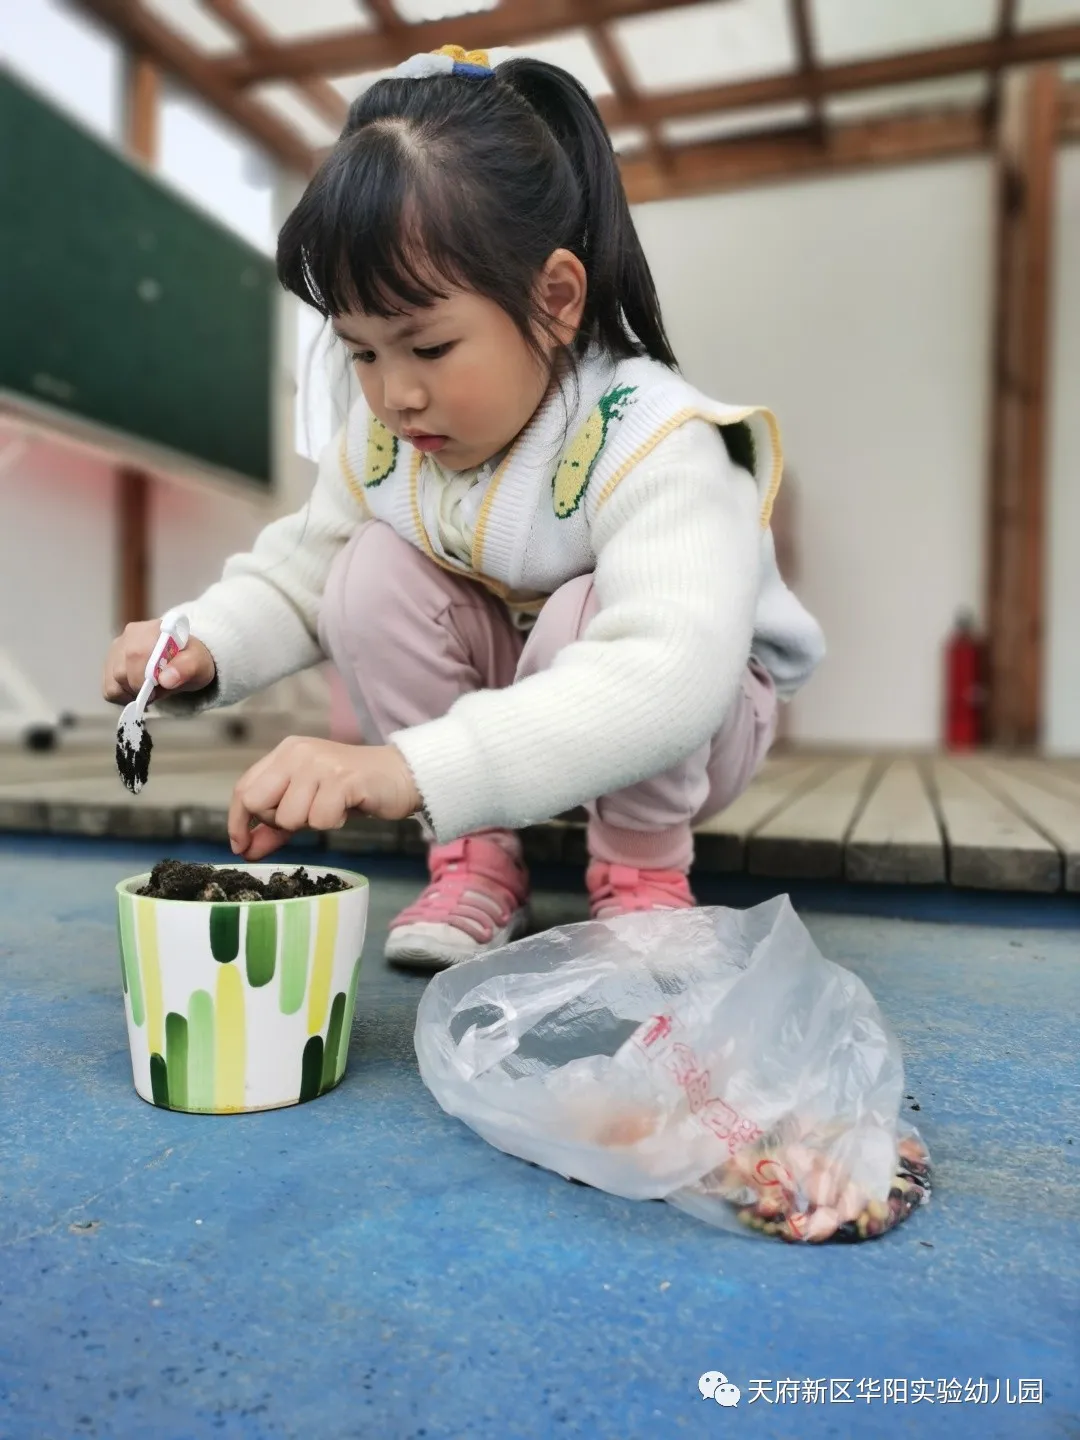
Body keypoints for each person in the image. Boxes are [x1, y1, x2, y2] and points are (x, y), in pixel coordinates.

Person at [103, 45, 824, 970]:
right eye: (361, 353)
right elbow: (297, 577)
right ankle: (474, 861)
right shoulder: (387, 444)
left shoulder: (653, 437)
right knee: (365, 572)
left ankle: (642, 877)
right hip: (511, 721)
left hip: (691, 737)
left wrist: (405, 770)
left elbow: (667, 676)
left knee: (588, 610)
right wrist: (202, 644)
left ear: (555, 299)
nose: (395, 396)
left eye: (429, 348)